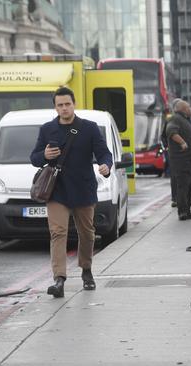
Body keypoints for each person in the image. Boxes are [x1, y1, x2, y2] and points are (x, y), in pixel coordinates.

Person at [30, 87, 112, 298]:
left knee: (87, 233)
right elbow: (34, 158)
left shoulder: (89, 128)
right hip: (57, 190)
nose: (64, 108)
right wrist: (45, 154)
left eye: (67, 104)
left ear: (74, 104)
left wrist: (105, 165)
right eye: (60, 105)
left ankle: (86, 269)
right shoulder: (47, 129)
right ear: (55, 107)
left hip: (83, 189)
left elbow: (104, 152)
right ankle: (59, 279)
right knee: (58, 232)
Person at [166, 100, 191, 221]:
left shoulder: (186, 119)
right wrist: (182, 142)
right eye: (189, 107)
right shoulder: (175, 118)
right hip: (182, 159)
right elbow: (171, 132)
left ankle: (188, 210)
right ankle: (182, 212)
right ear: (183, 109)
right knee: (184, 185)